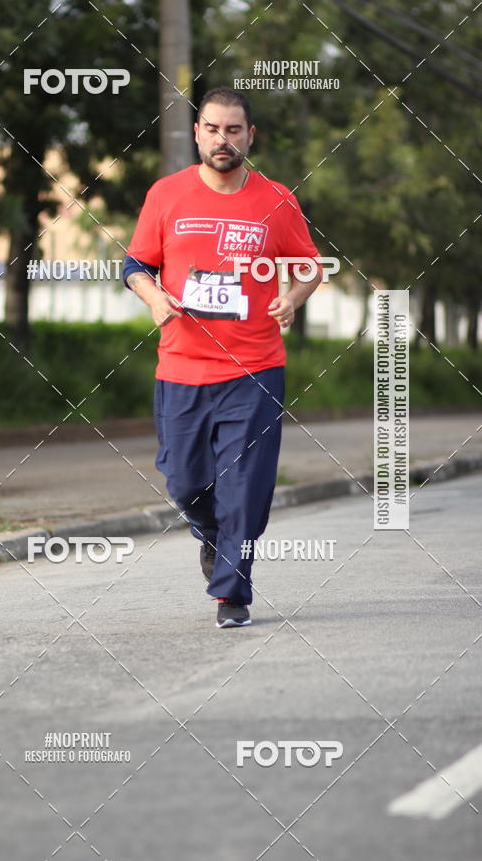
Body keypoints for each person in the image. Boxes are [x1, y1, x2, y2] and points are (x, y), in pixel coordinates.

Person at [123, 86, 322, 628]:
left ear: (249, 136)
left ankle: (232, 593)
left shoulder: (276, 200)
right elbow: (135, 265)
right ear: (197, 133)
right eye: (212, 128)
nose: (222, 139)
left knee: (246, 486)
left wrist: (293, 297)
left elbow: (310, 266)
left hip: (254, 369)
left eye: (233, 129)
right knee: (185, 483)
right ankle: (213, 539)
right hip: (182, 367)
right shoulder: (166, 195)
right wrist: (155, 298)